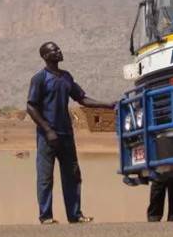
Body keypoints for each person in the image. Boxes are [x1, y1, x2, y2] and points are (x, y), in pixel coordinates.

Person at [26, 41, 114, 225]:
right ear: (45, 56)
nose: (59, 51)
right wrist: (48, 130)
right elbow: (31, 107)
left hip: (66, 135)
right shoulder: (40, 78)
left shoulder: (66, 77)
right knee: (45, 177)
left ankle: (75, 215)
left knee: (72, 175)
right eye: (54, 50)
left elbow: (82, 99)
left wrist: (107, 104)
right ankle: (46, 216)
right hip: (47, 137)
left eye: (58, 48)